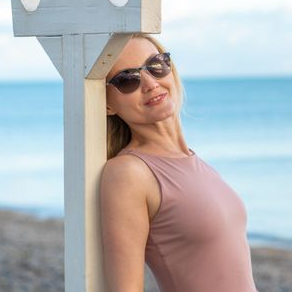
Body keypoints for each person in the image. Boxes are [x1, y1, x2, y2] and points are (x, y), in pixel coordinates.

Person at [99, 33, 259, 292]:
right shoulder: (128, 173)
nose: (150, 83)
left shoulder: (197, 163)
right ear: (107, 104)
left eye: (156, 65)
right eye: (128, 80)